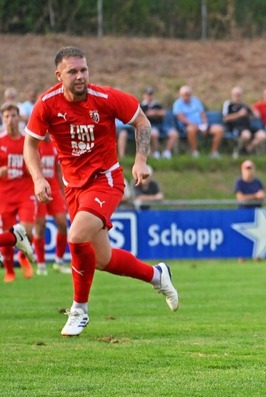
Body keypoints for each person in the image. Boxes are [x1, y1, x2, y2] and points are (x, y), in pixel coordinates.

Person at [24, 46, 179, 337]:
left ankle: (79, 310)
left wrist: (141, 161)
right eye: (73, 71)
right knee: (103, 260)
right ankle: (157, 275)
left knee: (76, 235)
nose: (80, 76)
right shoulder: (47, 103)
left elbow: (141, 121)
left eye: (83, 69)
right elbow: (30, 144)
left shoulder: (105, 98)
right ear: (59, 75)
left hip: (106, 180)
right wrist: (37, 178)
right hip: (73, 187)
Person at [0, 102, 37, 282]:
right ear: (3, 119)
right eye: (6, 116)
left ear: (19, 118)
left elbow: (35, 163)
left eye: (13, 115)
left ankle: (22, 256)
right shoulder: (0, 142)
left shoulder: (27, 141)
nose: (10, 120)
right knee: (8, 236)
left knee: (27, 230)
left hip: (25, 192)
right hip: (5, 195)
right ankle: (9, 271)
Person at [33, 133, 71, 276]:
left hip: (54, 188)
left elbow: (59, 171)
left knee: (62, 223)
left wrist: (64, 192)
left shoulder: (56, 144)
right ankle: (41, 265)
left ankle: (59, 261)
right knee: (40, 225)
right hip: (39, 189)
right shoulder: (35, 144)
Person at [119, 87, 178, 160]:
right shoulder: (141, 105)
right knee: (154, 133)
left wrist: (155, 113)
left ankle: (167, 152)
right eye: (148, 95)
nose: (149, 96)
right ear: (144, 95)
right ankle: (156, 152)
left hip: (161, 125)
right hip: (149, 126)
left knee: (174, 134)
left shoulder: (157, 104)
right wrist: (149, 114)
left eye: (151, 95)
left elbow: (163, 113)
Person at [172, 85, 224, 158]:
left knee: (219, 129)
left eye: (188, 95)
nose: (187, 97)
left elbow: (202, 114)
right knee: (190, 130)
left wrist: (205, 124)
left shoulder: (195, 101)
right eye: (185, 95)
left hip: (201, 125)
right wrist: (194, 125)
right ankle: (195, 151)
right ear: (181, 95)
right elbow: (181, 118)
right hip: (188, 126)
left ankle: (214, 152)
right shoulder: (178, 104)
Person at [223, 86, 266, 157]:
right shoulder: (228, 105)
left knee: (262, 135)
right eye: (236, 95)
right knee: (246, 135)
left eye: (239, 95)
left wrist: (256, 113)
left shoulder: (244, 105)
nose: (238, 97)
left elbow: (255, 115)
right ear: (232, 95)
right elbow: (225, 118)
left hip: (248, 126)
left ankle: (247, 149)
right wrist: (239, 114)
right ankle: (238, 150)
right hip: (236, 127)